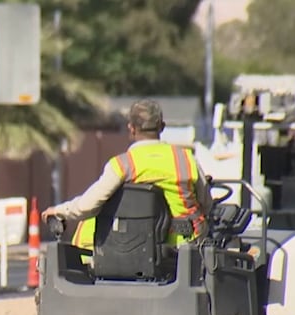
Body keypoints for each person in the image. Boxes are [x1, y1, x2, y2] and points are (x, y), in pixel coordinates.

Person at [41, 99, 212, 250]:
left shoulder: (122, 165)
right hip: (184, 248)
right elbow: (206, 204)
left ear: (131, 129)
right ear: (162, 127)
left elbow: (87, 206)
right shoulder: (186, 159)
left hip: (132, 246)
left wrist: (59, 210)